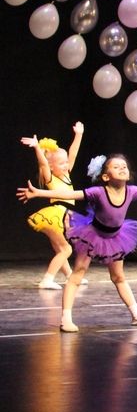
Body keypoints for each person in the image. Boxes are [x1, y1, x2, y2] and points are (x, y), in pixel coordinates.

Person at [17, 153, 137, 332]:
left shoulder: (132, 191)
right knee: (77, 274)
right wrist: (39, 193)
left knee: (118, 277)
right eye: (116, 167)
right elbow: (70, 194)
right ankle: (66, 319)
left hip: (116, 238)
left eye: (124, 166)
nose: (122, 168)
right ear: (106, 177)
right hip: (93, 236)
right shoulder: (98, 192)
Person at [21, 121, 85, 289]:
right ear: (51, 166)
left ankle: (69, 275)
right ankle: (47, 279)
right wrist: (37, 148)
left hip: (62, 216)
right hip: (54, 216)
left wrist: (78, 135)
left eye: (66, 162)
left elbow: (73, 153)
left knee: (59, 248)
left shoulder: (66, 175)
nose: (66, 165)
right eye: (61, 163)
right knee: (66, 250)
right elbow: (43, 163)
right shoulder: (51, 178)